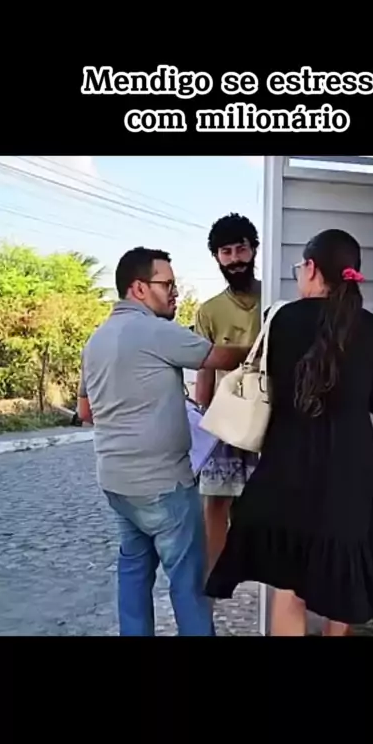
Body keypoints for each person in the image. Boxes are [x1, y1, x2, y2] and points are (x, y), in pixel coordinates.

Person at [205, 229, 373, 636]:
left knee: (289, 583)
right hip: (351, 475)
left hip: (288, 469)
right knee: (342, 583)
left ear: (312, 269)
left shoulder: (281, 320)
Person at [77, 246, 249, 637]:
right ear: (138, 288)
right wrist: (259, 347)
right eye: (167, 284)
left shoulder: (95, 341)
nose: (174, 292)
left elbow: (86, 412)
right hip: (163, 484)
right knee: (189, 583)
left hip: (116, 482)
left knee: (134, 572)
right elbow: (221, 358)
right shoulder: (156, 330)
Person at [194, 213, 262, 572]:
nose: (235, 259)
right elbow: (205, 370)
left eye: (241, 249)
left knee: (264, 501)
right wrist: (202, 422)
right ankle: (216, 577)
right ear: (216, 257)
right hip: (225, 418)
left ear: (254, 250)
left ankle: (262, 574)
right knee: (216, 501)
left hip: (269, 415)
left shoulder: (274, 299)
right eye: (226, 252)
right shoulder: (208, 311)